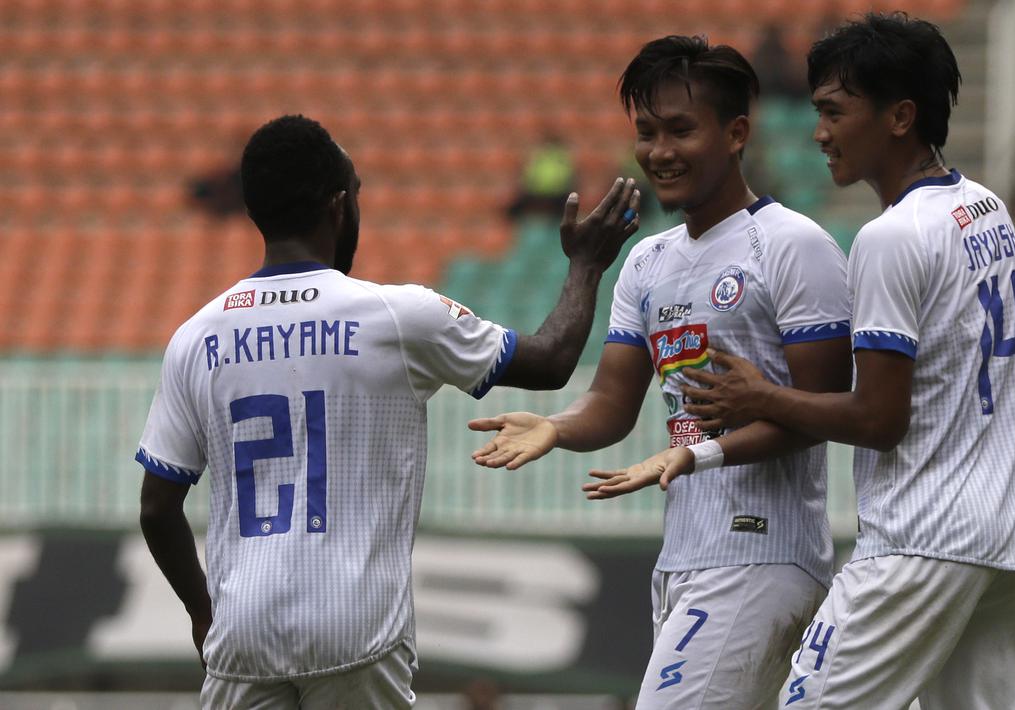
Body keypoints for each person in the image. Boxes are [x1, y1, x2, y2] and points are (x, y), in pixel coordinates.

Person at [134, 114, 639, 709]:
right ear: (339, 206)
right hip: (357, 627)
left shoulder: (197, 337)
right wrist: (586, 266)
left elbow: (157, 507)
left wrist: (202, 614)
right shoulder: (397, 316)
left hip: (242, 631)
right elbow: (551, 362)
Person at [625, 14, 1015, 708]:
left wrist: (761, 397)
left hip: (921, 539)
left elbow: (878, 419)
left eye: (833, 112)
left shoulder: (888, 238)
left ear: (900, 117)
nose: (818, 133)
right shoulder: (985, 210)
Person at [470, 36, 852, 709]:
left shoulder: (792, 245)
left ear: (736, 134)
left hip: (761, 553)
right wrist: (557, 427)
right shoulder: (647, 262)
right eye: (646, 132)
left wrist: (698, 454)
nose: (659, 151)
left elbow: (822, 411)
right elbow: (611, 402)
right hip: (682, 557)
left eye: (680, 130)